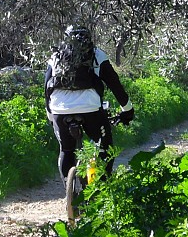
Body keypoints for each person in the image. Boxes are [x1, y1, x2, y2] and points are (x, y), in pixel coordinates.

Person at [44, 26, 135, 181]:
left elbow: (46, 86)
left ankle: (69, 192)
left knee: (66, 149)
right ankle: (101, 187)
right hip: (90, 109)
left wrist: (50, 113)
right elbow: (115, 85)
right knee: (105, 147)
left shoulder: (56, 55)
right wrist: (127, 110)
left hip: (59, 109)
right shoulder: (97, 54)